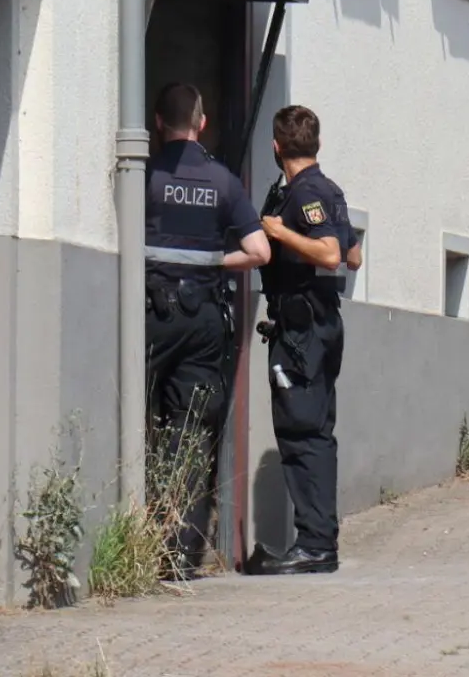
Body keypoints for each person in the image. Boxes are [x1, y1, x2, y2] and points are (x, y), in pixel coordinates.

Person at [144, 82, 272, 579]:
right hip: (202, 321)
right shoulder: (223, 182)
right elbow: (260, 252)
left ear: (157, 123)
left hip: (151, 314)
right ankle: (181, 556)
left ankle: (139, 535)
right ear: (202, 124)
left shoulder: (147, 175)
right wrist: (217, 261)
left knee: (136, 418)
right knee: (190, 432)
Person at [248, 105, 361, 576]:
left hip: (303, 331)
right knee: (315, 430)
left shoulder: (304, 194)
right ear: (316, 143)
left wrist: (280, 232)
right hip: (319, 325)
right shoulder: (328, 190)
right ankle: (318, 541)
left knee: (301, 431)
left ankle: (315, 544)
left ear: (276, 147)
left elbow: (333, 255)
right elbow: (355, 253)